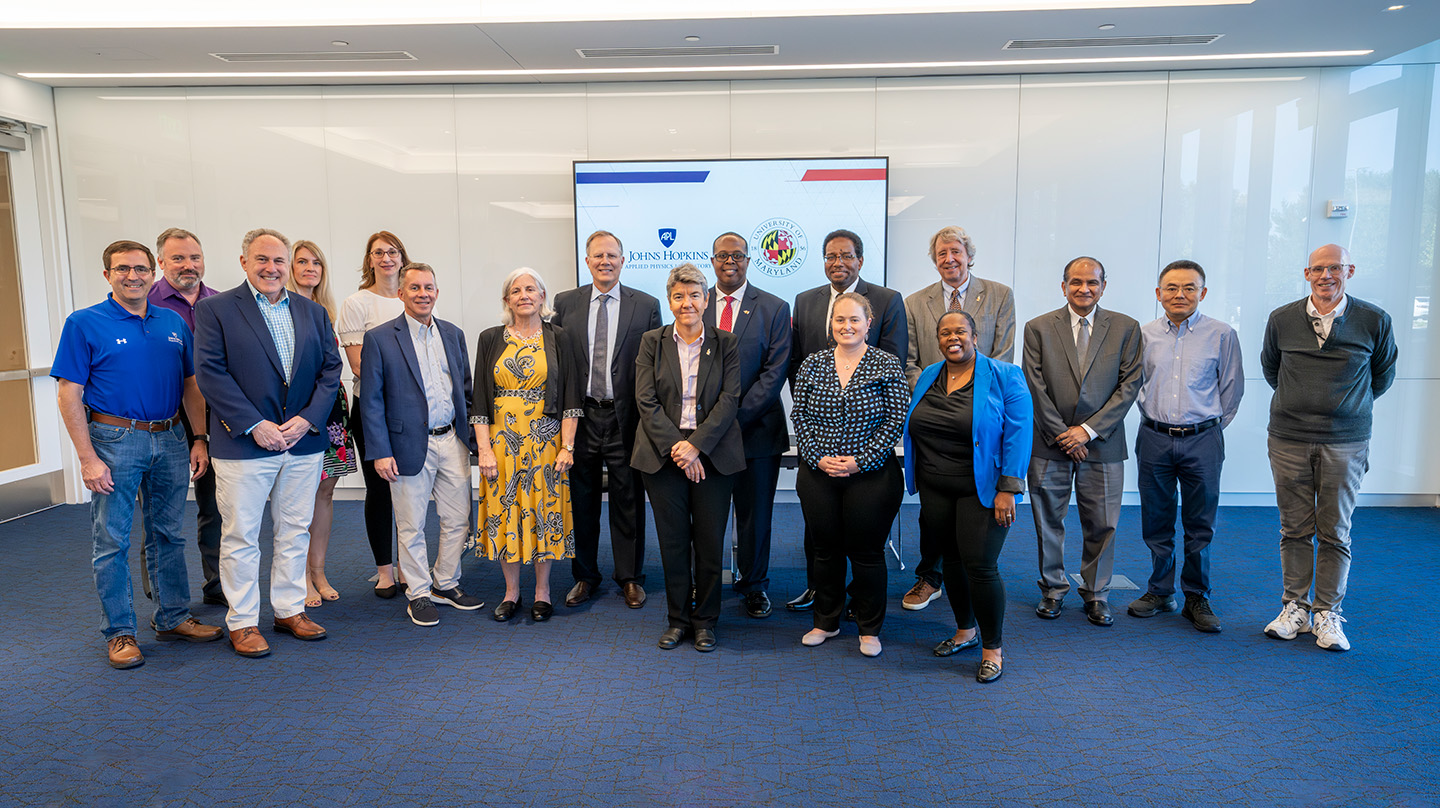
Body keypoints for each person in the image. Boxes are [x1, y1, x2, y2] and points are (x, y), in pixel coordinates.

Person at [53, 239, 223, 669]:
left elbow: (190, 385)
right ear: (107, 274)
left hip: (169, 438)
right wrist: (87, 457)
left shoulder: (171, 321)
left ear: (154, 272)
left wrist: (198, 437)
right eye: (123, 268)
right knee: (111, 539)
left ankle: (173, 617)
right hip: (114, 441)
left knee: (168, 534)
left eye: (141, 268)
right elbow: (68, 393)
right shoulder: (84, 323)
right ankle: (121, 633)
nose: (133, 276)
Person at [194, 228, 343, 658]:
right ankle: (242, 621)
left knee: (295, 530)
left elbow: (330, 372)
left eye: (279, 261)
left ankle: (289, 609)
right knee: (241, 535)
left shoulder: (312, 313)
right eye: (262, 259)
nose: (271, 268)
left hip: (302, 442)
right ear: (244, 262)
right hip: (244, 444)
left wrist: (308, 420)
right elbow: (210, 373)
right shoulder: (215, 310)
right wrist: (253, 423)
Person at [1260, 244, 1397, 652]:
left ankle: (1327, 614)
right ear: (1307, 273)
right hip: (1288, 438)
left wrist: (1345, 409)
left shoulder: (1374, 320)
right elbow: (1273, 369)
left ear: (1349, 270)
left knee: (1335, 531)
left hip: (1347, 442)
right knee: (1294, 528)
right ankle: (1295, 608)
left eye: (1334, 268)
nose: (1326, 276)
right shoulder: (1282, 319)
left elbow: (1382, 375)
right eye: (1318, 269)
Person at [902, 310, 1032, 683]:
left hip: (985, 488)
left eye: (960, 331)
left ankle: (993, 648)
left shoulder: (1006, 376)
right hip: (935, 485)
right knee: (952, 562)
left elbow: (1019, 434)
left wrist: (1009, 487)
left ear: (975, 336)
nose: (952, 337)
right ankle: (965, 631)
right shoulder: (929, 374)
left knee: (980, 565)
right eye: (945, 332)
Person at [787, 228, 907, 611]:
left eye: (846, 255)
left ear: (860, 260)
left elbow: (894, 394)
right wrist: (816, 450)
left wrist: (862, 457)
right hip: (820, 451)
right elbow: (798, 381)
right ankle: (822, 601)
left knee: (864, 545)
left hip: (867, 458)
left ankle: (863, 607)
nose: (838, 262)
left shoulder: (888, 301)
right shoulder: (805, 301)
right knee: (823, 543)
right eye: (830, 256)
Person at [900, 225, 1017, 613]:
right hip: (935, 417)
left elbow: (1000, 355)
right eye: (941, 254)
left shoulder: (999, 295)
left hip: (980, 416)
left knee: (975, 554)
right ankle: (929, 578)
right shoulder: (915, 301)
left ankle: (982, 627)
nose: (949, 259)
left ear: (969, 254)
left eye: (955, 251)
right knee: (935, 525)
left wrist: (967, 393)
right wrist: (937, 394)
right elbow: (912, 359)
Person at [1022, 256, 1142, 628]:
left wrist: (1086, 431)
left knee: (1102, 523)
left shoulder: (1126, 328)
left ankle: (1096, 593)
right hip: (1049, 442)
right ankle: (1053, 589)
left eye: (1092, 282)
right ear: (1063, 286)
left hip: (1102, 443)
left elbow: (1129, 385)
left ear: (1104, 286)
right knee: (1048, 520)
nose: (1084, 288)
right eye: (1076, 282)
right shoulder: (1038, 328)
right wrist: (1063, 433)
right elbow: (1034, 385)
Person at [361, 263, 481, 627]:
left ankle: (445, 582)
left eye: (429, 287)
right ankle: (418, 592)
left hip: (452, 440)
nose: (423, 294)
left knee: (459, 518)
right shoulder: (380, 337)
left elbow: (465, 389)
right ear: (401, 293)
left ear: (437, 292)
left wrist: (474, 439)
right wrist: (380, 450)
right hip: (406, 445)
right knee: (411, 523)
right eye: (414, 288)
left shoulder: (454, 334)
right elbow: (371, 400)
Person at [1128, 260, 1244, 633]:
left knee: (1200, 523)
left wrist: (1206, 428)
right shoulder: (1143, 335)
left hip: (1203, 440)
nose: (1180, 295)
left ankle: (1196, 595)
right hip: (1155, 438)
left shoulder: (1222, 334)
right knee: (1156, 520)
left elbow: (1231, 389)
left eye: (1189, 288)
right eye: (1172, 288)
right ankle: (1161, 590)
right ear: (1158, 293)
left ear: (1203, 293)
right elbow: (1133, 385)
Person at [634, 264, 744, 652]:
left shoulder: (726, 342)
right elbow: (645, 400)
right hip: (663, 456)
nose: (687, 303)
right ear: (670, 301)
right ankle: (678, 619)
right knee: (674, 542)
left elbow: (730, 400)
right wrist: (679, 449)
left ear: (707, 298)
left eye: (694, 295)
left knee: (710, 542)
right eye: (679, 296)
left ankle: (706, 622)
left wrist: (696, 445)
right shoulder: (652, 341)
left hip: (712, 454)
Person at [552, 231, 661, 609]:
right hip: (579, 417)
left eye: (612, 255)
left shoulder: (645, 305)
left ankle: (630, 577)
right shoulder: (565, 303)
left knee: (627, 498)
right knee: (580, 499)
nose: (605, 261)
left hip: (625, 418)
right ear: (587, 261)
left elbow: (653, 367)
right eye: (598, 255)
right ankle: (585, 576)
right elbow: (559, 364)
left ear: (622, 259)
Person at [473, 267, 582, 623]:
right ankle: (511, 592)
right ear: (507, 300)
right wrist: (484, 449)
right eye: (516, 290)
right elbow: (479, 401)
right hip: (502, 442)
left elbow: (570, 397)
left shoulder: (559, 337)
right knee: (507, 512)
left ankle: (542, 592)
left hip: (545, 441)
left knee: (543, 510)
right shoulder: (490, 338)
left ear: (542, 297)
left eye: (530, 289)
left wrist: (567, 446)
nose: (524, 295)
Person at [702, 232, 791, 619]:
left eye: (737, 255)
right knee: (707, 516)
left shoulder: (773, 307)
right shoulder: (694, 303)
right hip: (703, 437)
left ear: (749, 259)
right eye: (722, 255)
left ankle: (754, 585)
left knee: (755, 516)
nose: (730, 261)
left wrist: (727, 420)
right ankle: (703, 583)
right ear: (712, 260)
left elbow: (774, 374)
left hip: (755, 432)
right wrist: (711, 427)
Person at [147, 227, 224, 606]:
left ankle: (218, 585)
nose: (188, 265)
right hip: (162, 419)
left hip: (216, 419)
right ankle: (165, 595)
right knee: (162, 511)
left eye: (194, 257)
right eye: (178, 258)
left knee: (216, 507)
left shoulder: (224, 303)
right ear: (161, 262)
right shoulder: (144, 301)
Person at [337, 231, 409, 598]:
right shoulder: (357, 303)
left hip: (410, 411)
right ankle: (384, 569)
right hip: (373, 409)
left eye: (392, 252)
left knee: (409, 490)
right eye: (378, 253)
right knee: (380, 489)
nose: (386, 258)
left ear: (402, 257)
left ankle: (407, 566)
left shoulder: (413, 296)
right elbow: (360, 365)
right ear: (369, 260)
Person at [286, 239, 357, 608]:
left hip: (330, 410)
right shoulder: (279, 308)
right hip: (295, 413)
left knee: (325, 492)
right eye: (302, 262)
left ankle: (318, 570)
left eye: (316, 262)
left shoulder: (325, 311)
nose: (310, 268)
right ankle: (298, 577)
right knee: (297, 496)